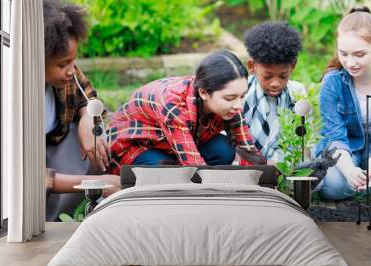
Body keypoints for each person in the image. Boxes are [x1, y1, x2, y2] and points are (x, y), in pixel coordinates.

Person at [108, 50, 266, 173]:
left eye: (242, 96)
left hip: (174, 144)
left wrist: (264, 175)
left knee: (223, 149)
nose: (239, 105)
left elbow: (248, 149)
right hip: (137, 146)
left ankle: (178, 172)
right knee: (166, 173)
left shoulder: (230, 101)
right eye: (230, 98)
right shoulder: (172, 105)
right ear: (204, 93)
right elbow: (195, 165)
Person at [43, 0, 120, 220]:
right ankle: (55, 217)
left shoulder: (67, 75)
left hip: (56, 150)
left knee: (98, 134)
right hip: (37, 169)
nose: (71, 71)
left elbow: (90, 97)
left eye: (73, 62)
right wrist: (96, 183)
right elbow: (27, 178)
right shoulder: (16, 97)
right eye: (62, 64)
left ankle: (84, 206)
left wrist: (87, 118)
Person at [317, 7, 371, 200]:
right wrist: (348, 169)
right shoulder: (332, 82)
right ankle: (364, 181)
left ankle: (366, 179)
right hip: (346, 150)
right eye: (343, 54)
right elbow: (334, 134)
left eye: (359, 55)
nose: (350, 62)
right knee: (333, 187)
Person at [243, 22, 306, 163]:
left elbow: (305, 140)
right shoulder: (241, 93)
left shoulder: (298, 93)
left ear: (293, 65)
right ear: (252, 66)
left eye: (283, 76)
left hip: (288, 166)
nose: (275, 83)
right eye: (267, 76)